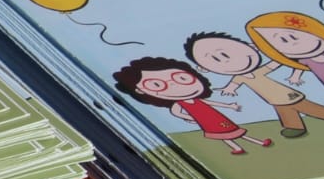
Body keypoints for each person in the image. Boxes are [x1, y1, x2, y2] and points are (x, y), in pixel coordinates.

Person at [183, 31, 324, 137]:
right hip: (273, 99)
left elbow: (274, 64)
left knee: (306, 107)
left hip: (286, 94)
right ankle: (295, 127)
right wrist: (229, 89)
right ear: (204, 68)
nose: (225, 61)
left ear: (251, 47)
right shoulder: (240, 77)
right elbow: (234, 84)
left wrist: (280, 55)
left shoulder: (258, 71)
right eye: (215, 60)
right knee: (285, 112)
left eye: (225, 55)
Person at [113, 56, 270, 155]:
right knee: (224, 136)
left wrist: (229, 106)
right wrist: (189, 118)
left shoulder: (197, 99)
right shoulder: (179, 103)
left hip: (216, 117)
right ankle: (238, 148)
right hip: (206, 122)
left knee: (233, 132)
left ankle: (257, 142)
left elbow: (212, 102)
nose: (173, 85)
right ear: (140, 90)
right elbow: (176, 112)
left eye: (182, 78)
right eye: (157, 84)